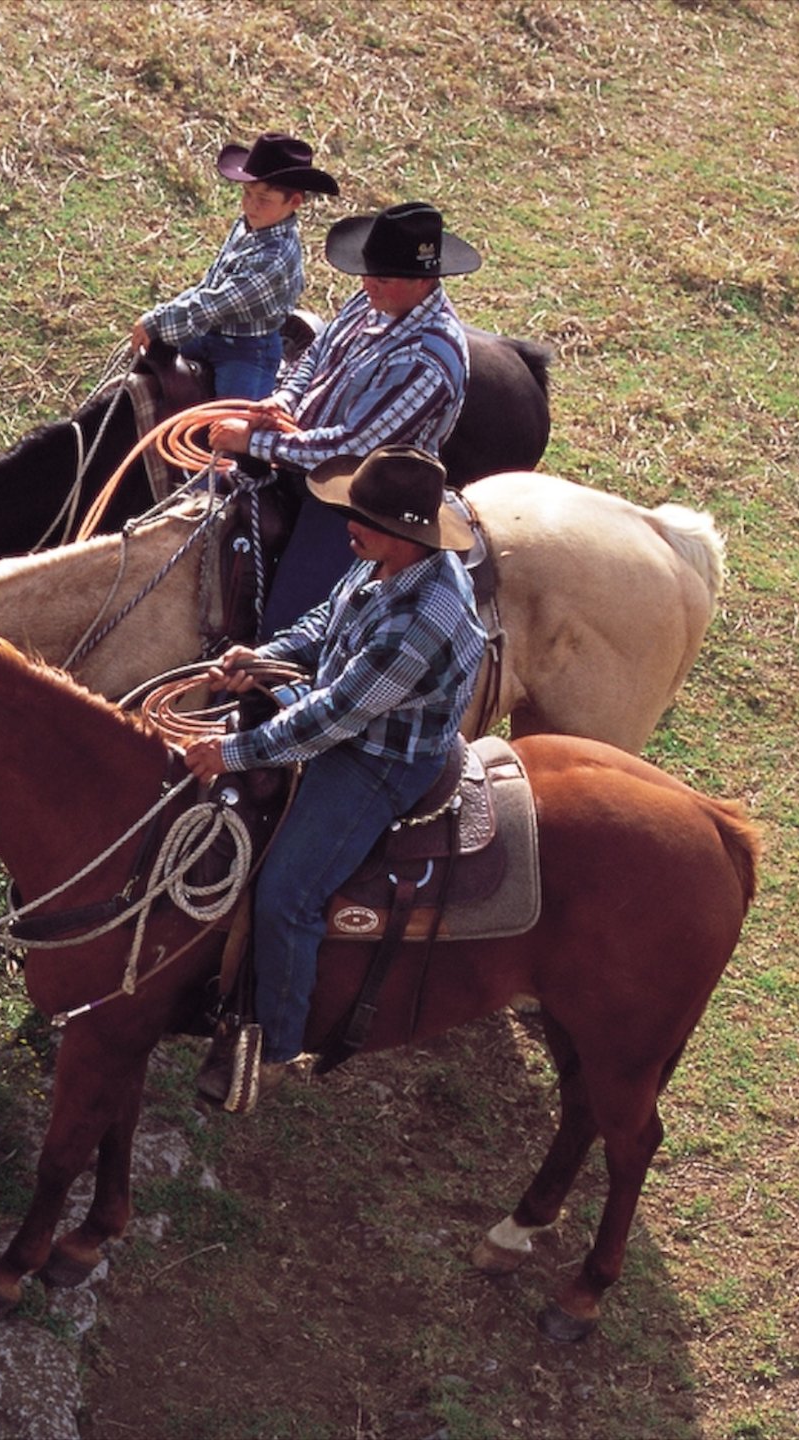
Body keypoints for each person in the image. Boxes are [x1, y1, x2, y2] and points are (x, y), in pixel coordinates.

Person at [180, 447, 486, 1104]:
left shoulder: (426, 620)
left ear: (406, 534)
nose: (349, 525)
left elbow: (334, 720)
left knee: (288, 893)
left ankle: (278, 1044)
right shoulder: (382, 563)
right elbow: (327, 623)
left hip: (379, 762)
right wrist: (262, 657)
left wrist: (233, 753)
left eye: (364, 518)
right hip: (342, 717)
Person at [208, 200, 479, 634]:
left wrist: (254, 443)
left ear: (425, 281)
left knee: (289, 621)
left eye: (383, 278)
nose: (368, 285)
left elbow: (351, 449)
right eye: (367, 273)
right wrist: (284, 401)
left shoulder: (430, 360)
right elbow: (317, 352)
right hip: (302, 455)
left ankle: (272, 683)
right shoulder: (373, 299)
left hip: (360, 500)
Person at [130, 132, 338, 401]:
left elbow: (218, 302)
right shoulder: (246, 226)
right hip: (211, 332)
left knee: (231, 422)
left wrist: (159, 320)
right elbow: (210, 284)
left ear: (294, 202)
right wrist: (163, 315)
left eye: (263, 199)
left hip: (248, 349)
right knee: (146, 358)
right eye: (247, 193)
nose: (251, 205)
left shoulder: (275, 257)